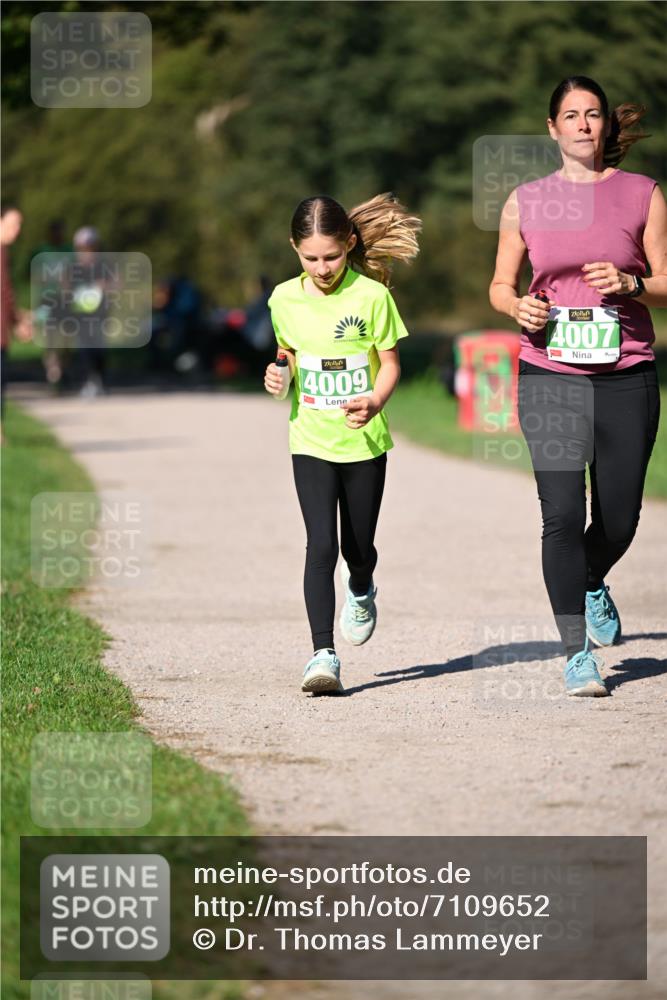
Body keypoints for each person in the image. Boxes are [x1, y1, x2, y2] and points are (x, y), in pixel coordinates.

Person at [489, 76, 666, 697]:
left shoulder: (644, 193)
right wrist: (519, 310)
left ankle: (592, 579)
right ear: (553, 128)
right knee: (562, 516)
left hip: (627, 374)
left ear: (605, 127)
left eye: (593, 114)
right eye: (571, 115)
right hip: (550, 374)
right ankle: (575, 654)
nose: (584, 124)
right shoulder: (526, 201)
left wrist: (631, 284)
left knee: (617, 520)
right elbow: (501, 285)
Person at [264, 194, 421, 694]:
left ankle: (362, 585)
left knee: (358, 547)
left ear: (349, 244)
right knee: (320, 545)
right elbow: (287, 351)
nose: (322, 267)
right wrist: (278, 373)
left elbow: (391, 363)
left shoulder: (373, 297)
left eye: (331, 256)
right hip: (309, 438)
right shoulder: (282, 298)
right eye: (310, 258)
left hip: (363, 441)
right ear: (295, 249)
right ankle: (322, 655)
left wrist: (375, 399)